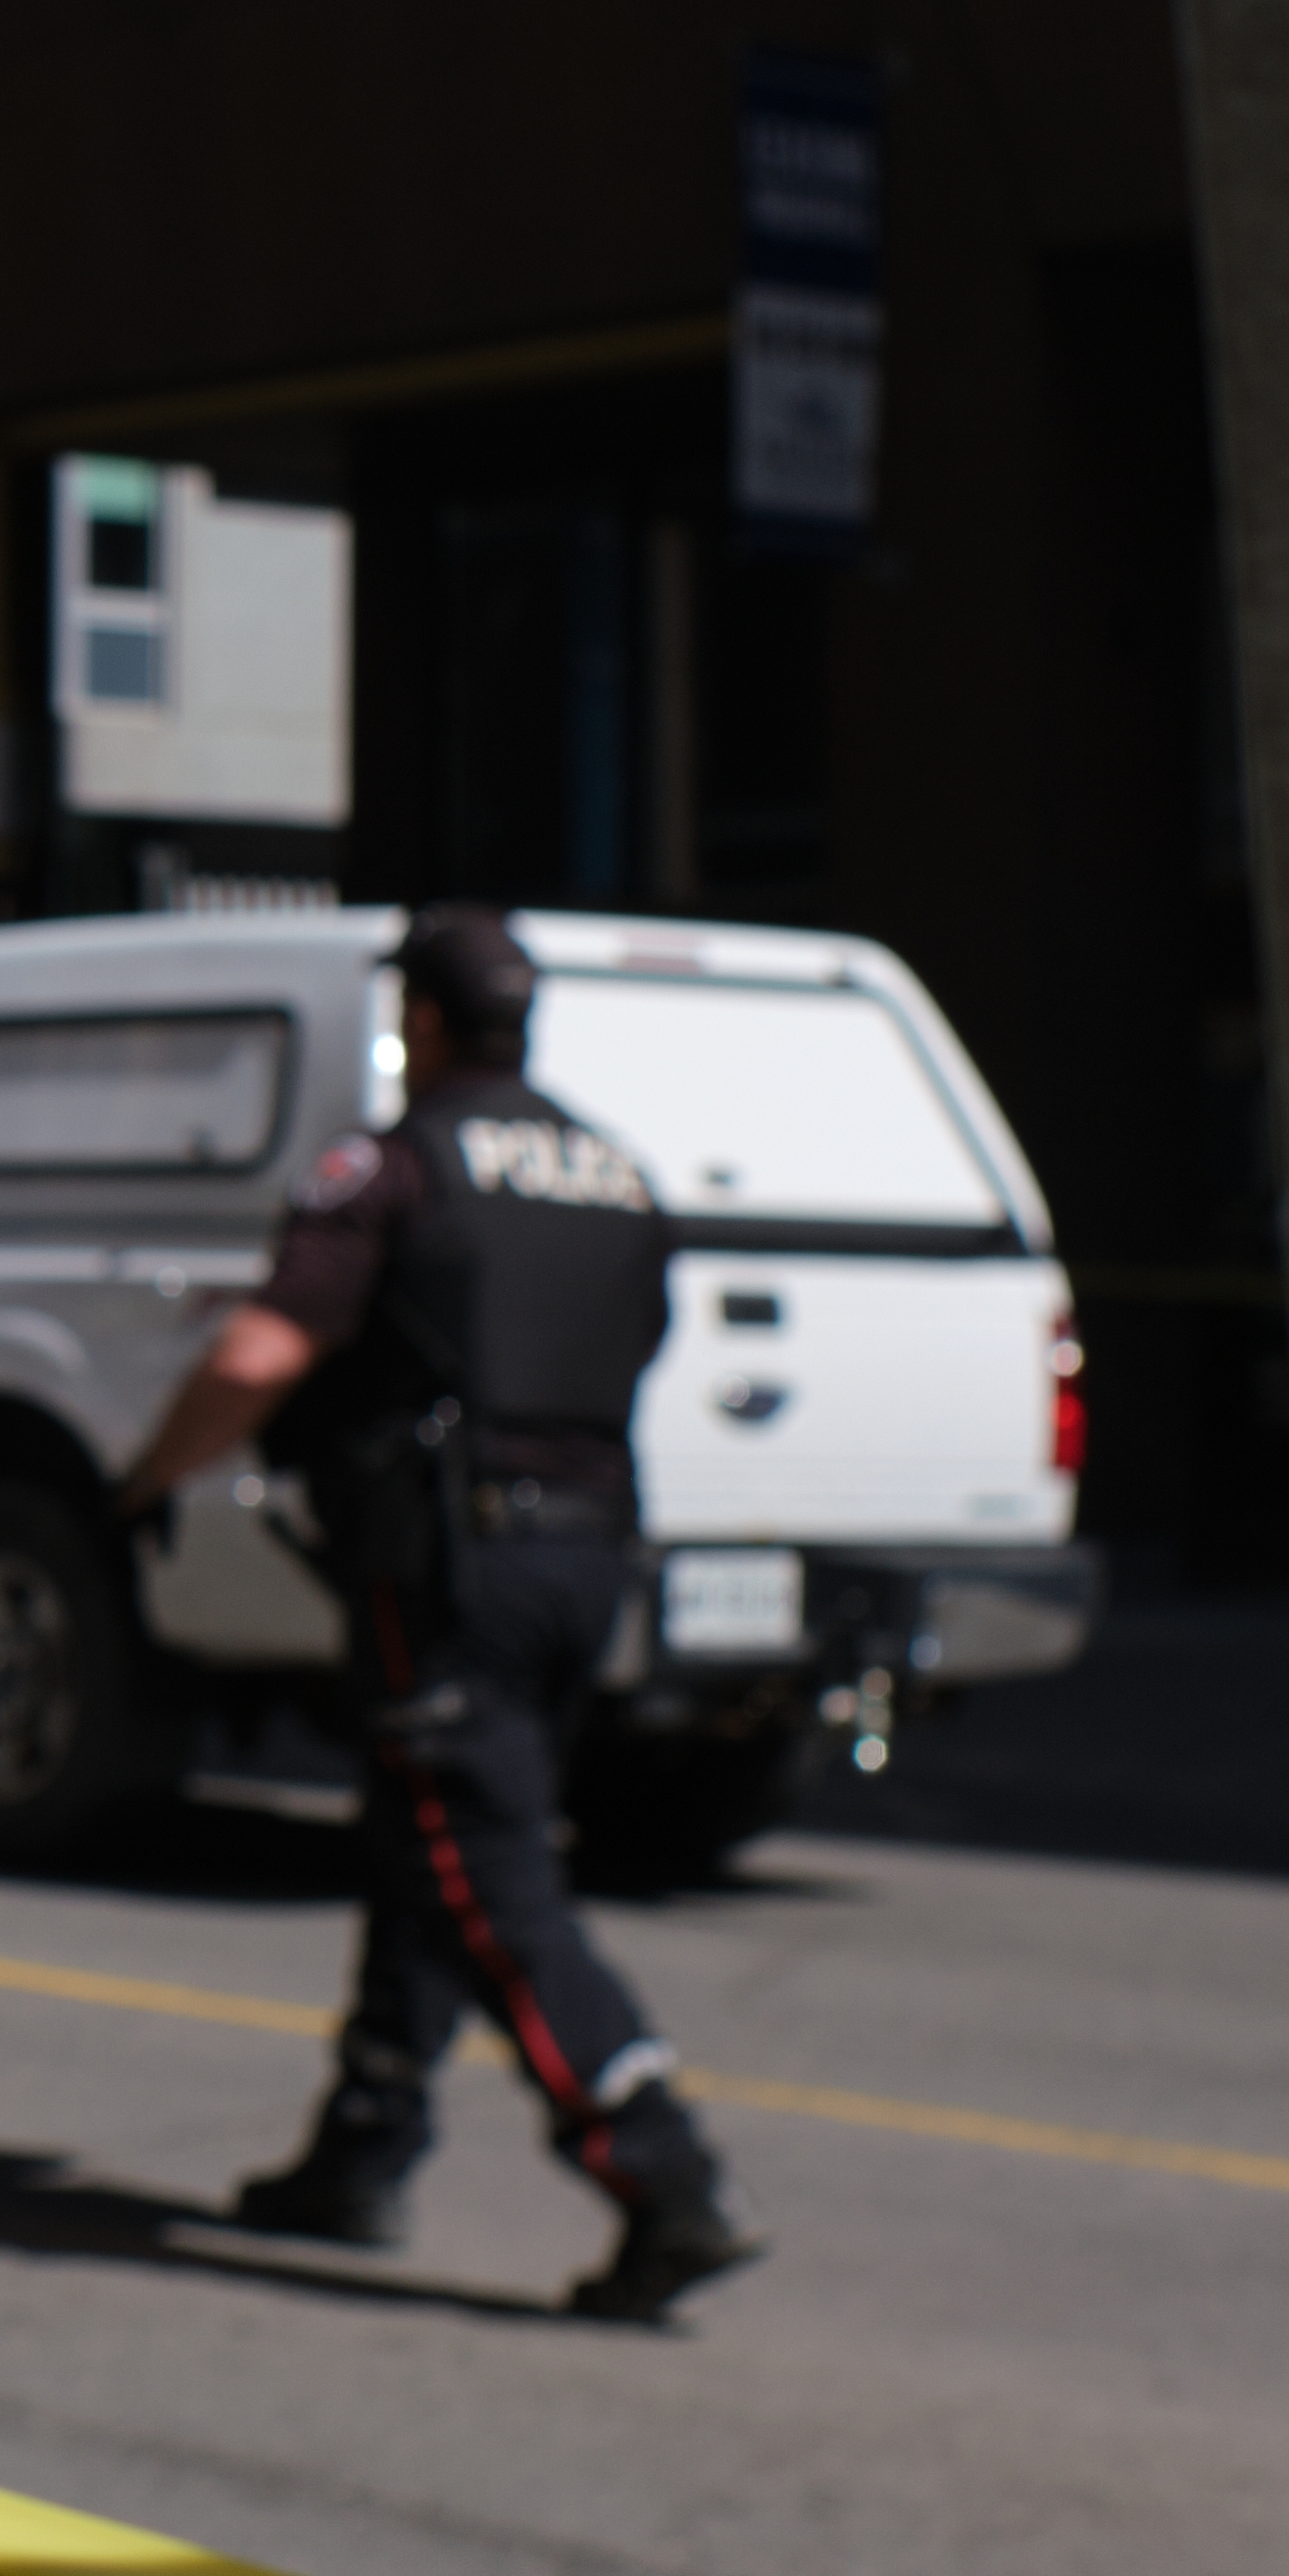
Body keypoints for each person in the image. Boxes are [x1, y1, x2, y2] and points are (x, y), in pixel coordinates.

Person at [117, 908, 761, 2326]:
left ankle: (660, 2169)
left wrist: (148, 1475)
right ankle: (363, 2149)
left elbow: (260, 1348)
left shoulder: (394, 1166)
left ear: (420, 1020)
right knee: (424, 1839)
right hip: (587, 1559)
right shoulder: (612, 1170)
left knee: (480, 1863)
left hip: (451, 1565)